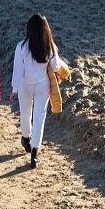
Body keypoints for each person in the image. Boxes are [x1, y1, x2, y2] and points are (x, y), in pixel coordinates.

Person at [10, 14, 69, 169]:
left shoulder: (22, 47)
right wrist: (66, 71)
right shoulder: (49, 46)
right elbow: (57, 66)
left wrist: (14, 89)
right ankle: (35, 152)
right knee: (39, 117)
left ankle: (25, 138)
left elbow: (17, 71)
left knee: (25, 113)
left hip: (25, 86)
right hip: (42, 85)